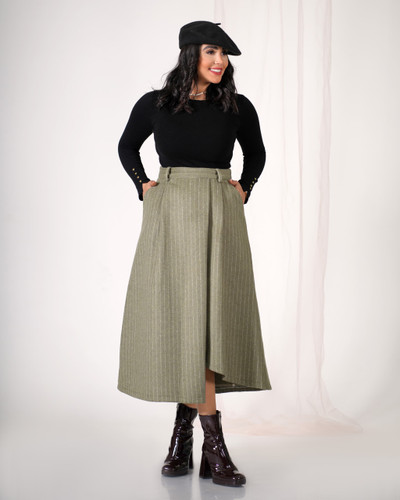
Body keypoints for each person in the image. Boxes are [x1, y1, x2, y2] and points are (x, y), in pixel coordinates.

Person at [117, 20, 272, 488]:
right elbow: (127, 146)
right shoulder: (155, 104)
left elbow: (257, 153)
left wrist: (244, 188)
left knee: (209, 322)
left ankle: (185, 439)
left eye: (224, 55)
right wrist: (145, 186)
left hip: (220, 214)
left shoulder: (237, 106)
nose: (220, 61)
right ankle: (208, 445)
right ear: (190, 54)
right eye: (212, 51)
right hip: (171, 213)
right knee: (184, 320)